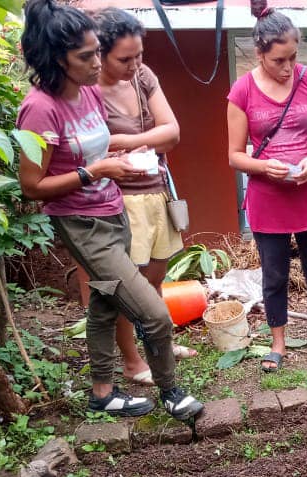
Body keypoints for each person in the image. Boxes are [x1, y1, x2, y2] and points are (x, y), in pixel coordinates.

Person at [17, 0, 203, 420]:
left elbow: (114, 143)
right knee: (155, 315)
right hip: (81, 223)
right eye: (86, 56)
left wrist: (113, 167)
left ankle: (102, 391)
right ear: (55, 58)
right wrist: (92, 172)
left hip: (112, 209)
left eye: (97, 52)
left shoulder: (86, 94)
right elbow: (32, 186)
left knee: (105, 304)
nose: (96, 62)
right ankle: (171, 391)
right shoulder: (40, 109)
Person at [77, 7, 197, 386]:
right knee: (126, 286)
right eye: (124, 58)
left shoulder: (144, 76)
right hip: (115, 200)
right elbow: (87, 148)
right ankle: (131, 362)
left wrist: (127, 141)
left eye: (139, 55)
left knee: (156, 275)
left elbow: (173, 132)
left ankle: (158, 345)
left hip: (155, 189)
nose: (135, 64)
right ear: (101, 54)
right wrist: (144, 143)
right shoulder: (88, 90)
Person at [226, 0, 307, 372]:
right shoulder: (242, 91)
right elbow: (234, 156)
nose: (288, 67)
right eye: (279, 60)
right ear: (260, 54)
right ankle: (277, 343)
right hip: (269, 196)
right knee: (275, 273)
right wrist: (265, 166)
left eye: (292, 57)